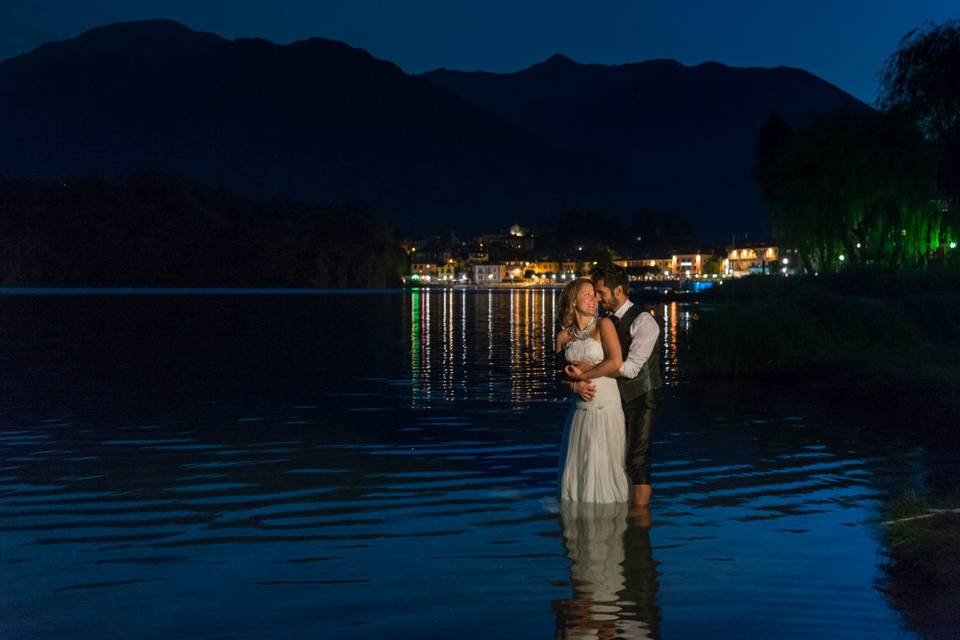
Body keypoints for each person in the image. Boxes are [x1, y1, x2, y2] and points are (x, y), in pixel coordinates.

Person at [588, 269, 662, 508]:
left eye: (601, 292)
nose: (598, 298)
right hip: (615, 400)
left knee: (638, 460)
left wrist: (587, 374)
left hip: (642, 397)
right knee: (617, 457)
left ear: (618, 290)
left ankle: (640, 519)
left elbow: (630, 369)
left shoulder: (644, 322)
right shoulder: (605, 322)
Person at [555, 278, 630, 503]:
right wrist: (574, 385)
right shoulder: (562, 337)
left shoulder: (603, 325)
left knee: (603, 465)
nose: (594, 299)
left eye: (594, 295)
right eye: (587, 295)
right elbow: (559, 375)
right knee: (581, 465)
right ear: (573, 300)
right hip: (578, 409)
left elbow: (616, 362)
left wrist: (584, 375)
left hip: (605, 404)